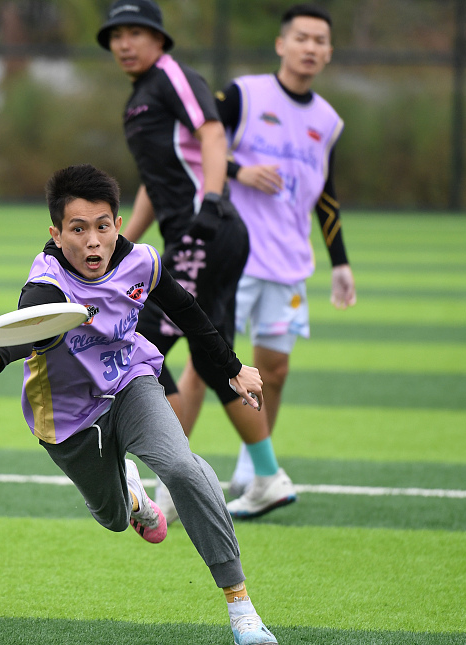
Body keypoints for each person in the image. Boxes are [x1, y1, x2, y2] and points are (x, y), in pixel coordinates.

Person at [0, 164, 279, 645]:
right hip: (65, 416)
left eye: (102, 226)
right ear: (56, 233)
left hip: (130, 382)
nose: (92, 242)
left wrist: (232, 367)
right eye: (78, 229)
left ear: (118, 225)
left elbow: (186, 309)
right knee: (110, 518)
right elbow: (32, 328)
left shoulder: (142, 262)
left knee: (183, 468)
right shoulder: (46, 281)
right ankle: (130, 500)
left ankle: (240, 605)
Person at [98, 0, 297, 521]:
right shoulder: (140, 97)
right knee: (212, 361)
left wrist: (209, 202)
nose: (124, 43)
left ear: (159, 39)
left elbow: (211, 133)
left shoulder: (172, 77)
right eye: (116, 35)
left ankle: (174, 474)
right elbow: (155, 183)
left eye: (135, 32)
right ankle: (266, 474)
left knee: (143, 341)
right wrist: (118, 243)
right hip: (195, 236)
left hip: (207, 231)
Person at [180, 4, 358, 515]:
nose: (310, 47)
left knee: (273, 371)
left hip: (289, 264)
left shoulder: (327, 120)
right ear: (282, 44)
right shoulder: (244, 93)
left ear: (328, 52)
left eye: (320, 40)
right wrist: (238, 170)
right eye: (301, 37)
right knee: (202, 364)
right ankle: (171, 473)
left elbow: (327, 193)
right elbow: (198, 146)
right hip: (232, 254)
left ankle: (253, 476)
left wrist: (340, 261)